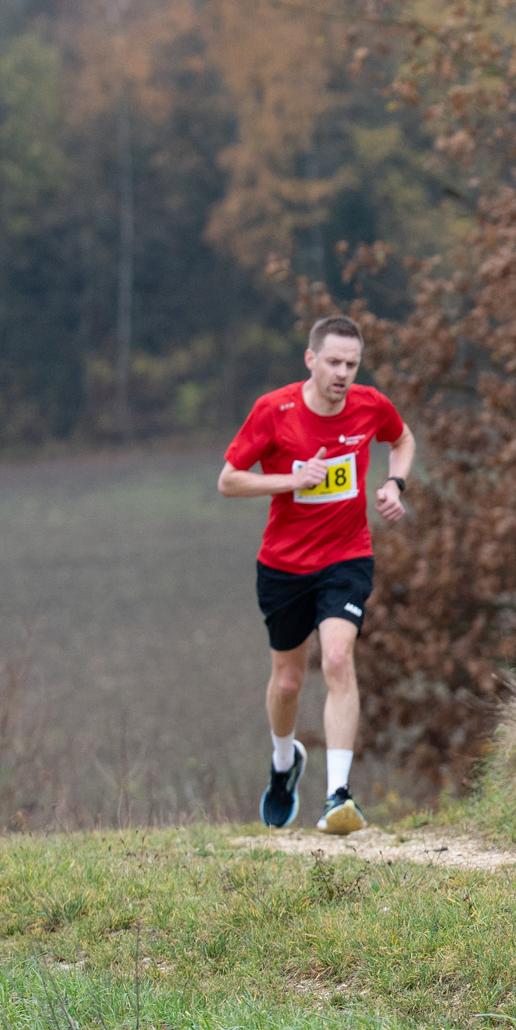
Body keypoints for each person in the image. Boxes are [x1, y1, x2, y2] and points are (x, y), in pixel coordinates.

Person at [219, 315, 416, 835]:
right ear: (310, 360)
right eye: (333, 362)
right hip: (283, 565)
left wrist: (394, 485)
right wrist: (292, 480)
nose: (343, 373)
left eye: (352, 364)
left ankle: (338, 797)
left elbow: (402, 439)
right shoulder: (274, 410)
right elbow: (229, 480)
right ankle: (284, 763)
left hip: (346, 557)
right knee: (287, 681)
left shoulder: (370, 405)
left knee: (336, 658)